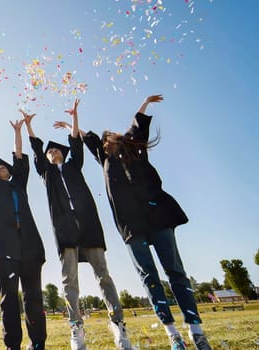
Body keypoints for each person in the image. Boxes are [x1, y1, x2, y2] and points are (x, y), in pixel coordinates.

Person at [82, 95, 212, 350]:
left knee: (175, 271)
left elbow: (138, 124)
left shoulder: (133, 148)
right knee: (149, 277)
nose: (110, 140)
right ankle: (173, 334)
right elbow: (88, 138)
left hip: (157, 215)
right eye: (105, 139)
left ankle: (196, 331)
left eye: (112, 137)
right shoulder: (104, 159)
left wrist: (145, 102)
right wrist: (69, 126)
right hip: (131, 225)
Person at [23, 99, 131, 350]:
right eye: (50, 153)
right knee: (69, 280)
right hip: (65, 230)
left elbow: (75, 140)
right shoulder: (46, 174)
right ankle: (76, 327)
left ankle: (119, 325)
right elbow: (36, 152)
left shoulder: (74, 166)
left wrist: (75, 117)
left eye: (56, 151)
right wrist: (29, 126)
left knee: (103, 274)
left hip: (89, 225)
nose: (53, 153)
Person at [0, 122, 46, 350]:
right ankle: (12, 344)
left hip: (30, 246)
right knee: (9, 299)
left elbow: (20, 155)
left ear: (10, 172)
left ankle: (37, 343)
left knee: (33, 298)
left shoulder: (18, 184)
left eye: (3, 167)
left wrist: (17, 132)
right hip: (5, 250)